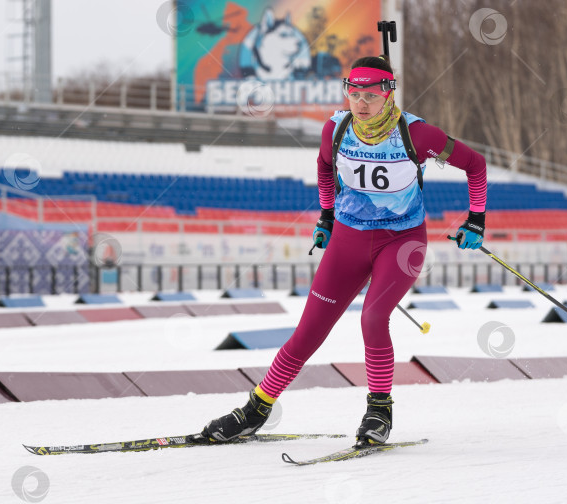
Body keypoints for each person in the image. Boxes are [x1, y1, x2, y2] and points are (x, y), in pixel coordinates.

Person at [201, 55, 487, 446]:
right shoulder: (336, 128)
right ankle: (256, 409)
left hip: (401, 242)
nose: (361, 102)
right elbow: (323, 167)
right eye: (354, 92)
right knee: (307, 332)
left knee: (372, 318)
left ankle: (379, 410)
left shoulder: (418, 135)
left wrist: (476, 220)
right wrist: (326, 216)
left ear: (388, 94)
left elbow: (475, 165)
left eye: (370, 94)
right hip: (348, 240)